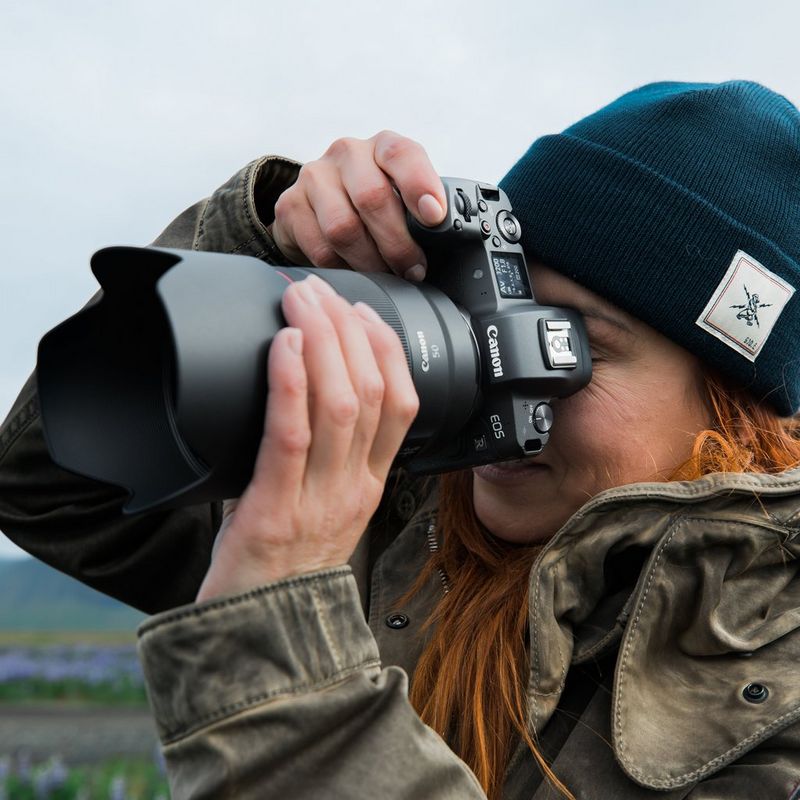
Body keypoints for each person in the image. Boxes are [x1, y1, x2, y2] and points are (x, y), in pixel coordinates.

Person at [1, 80, 800, 799]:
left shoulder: (774, 699)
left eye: (562, 346)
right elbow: (53, 488)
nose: (498, 375)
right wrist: (267, 251)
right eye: (490, 313)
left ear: (742, 414)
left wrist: (287, 639)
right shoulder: (402, 519)